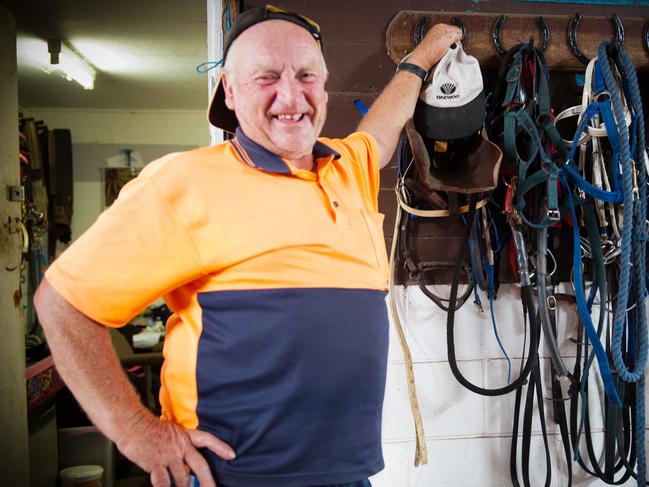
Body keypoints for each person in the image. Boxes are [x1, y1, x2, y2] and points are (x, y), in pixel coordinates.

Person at [34, 5, 461, 487]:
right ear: (230, 94)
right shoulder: (183, 182)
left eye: (306, 75)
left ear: (323, 86)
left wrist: (421, 59)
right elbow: (62, 305)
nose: (290, 94)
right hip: (234, 478)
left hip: (347, 476)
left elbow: (379, 133)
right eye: (266, 77)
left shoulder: (346, 168)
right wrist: (137, 433)